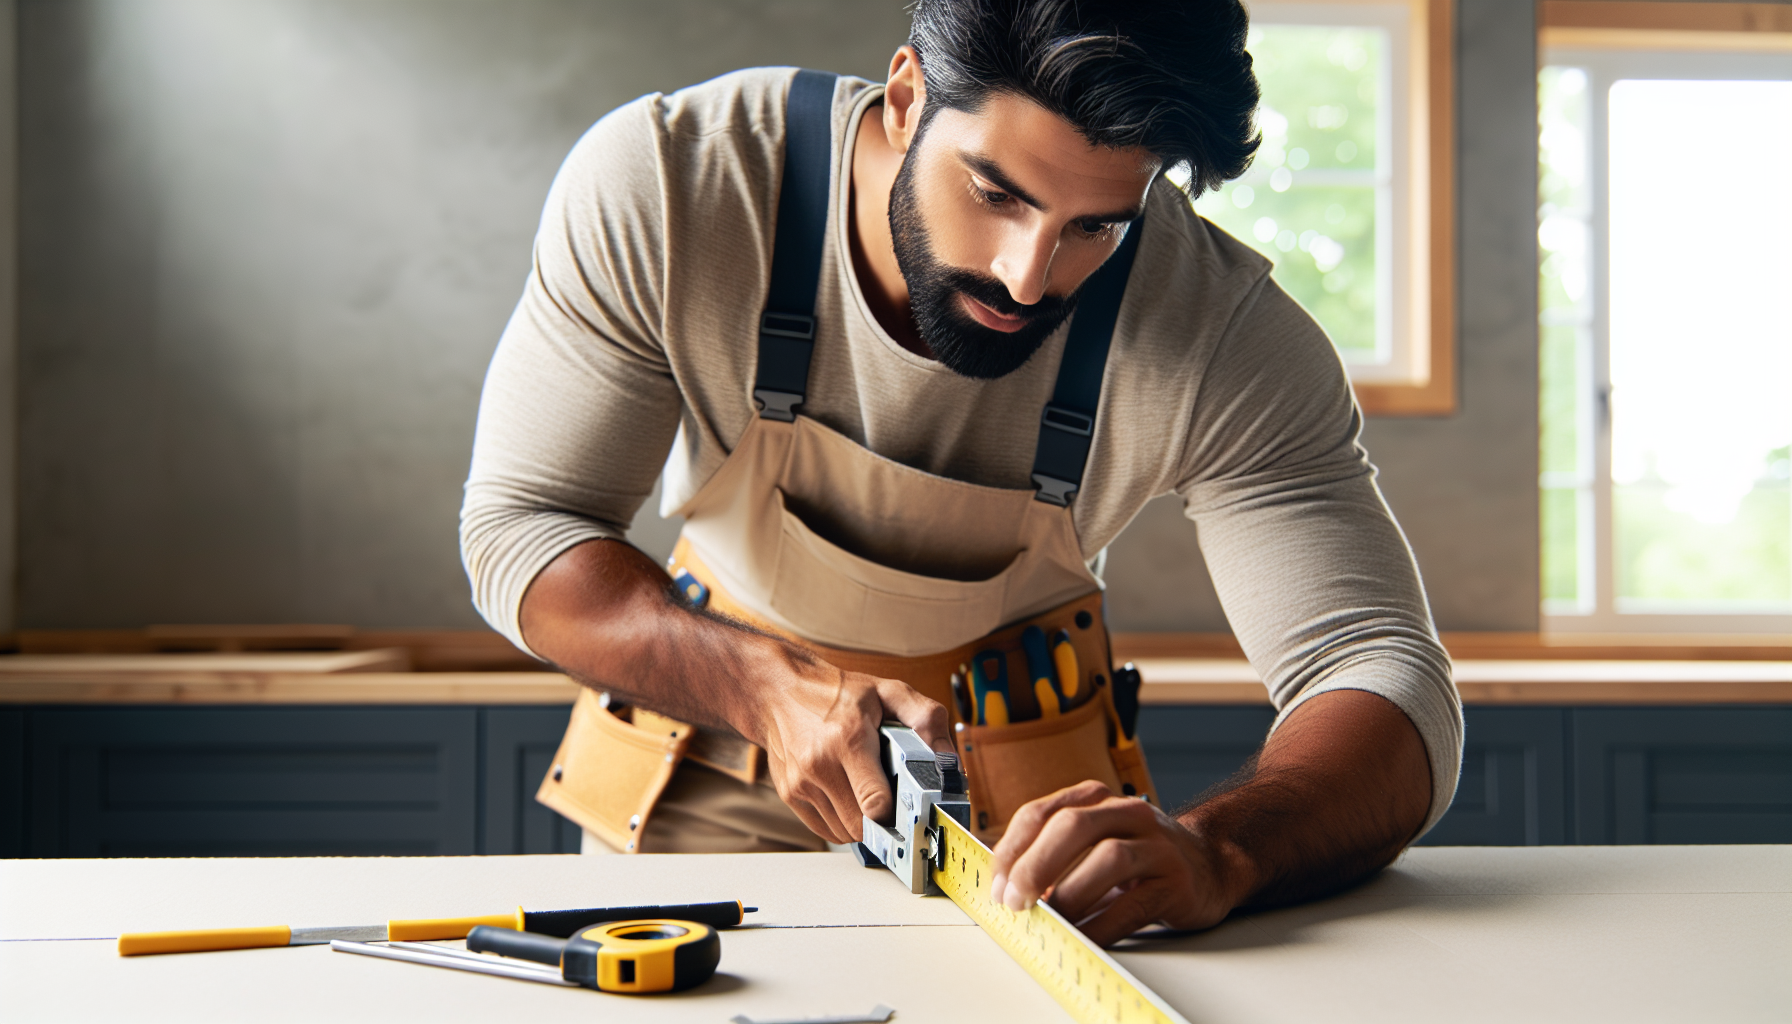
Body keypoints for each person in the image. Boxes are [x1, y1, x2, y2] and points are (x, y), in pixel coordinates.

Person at [461, 0, 1460, 946]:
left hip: (1016, 860)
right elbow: (523, 525)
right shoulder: (677, 183)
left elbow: (1382, 674)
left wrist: (1221, 849)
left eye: (1096, 226)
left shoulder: (1224, 336)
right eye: (996, 193)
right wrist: (762, 686)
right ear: (905, 99)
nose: (1029, 276)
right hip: (693, 796)